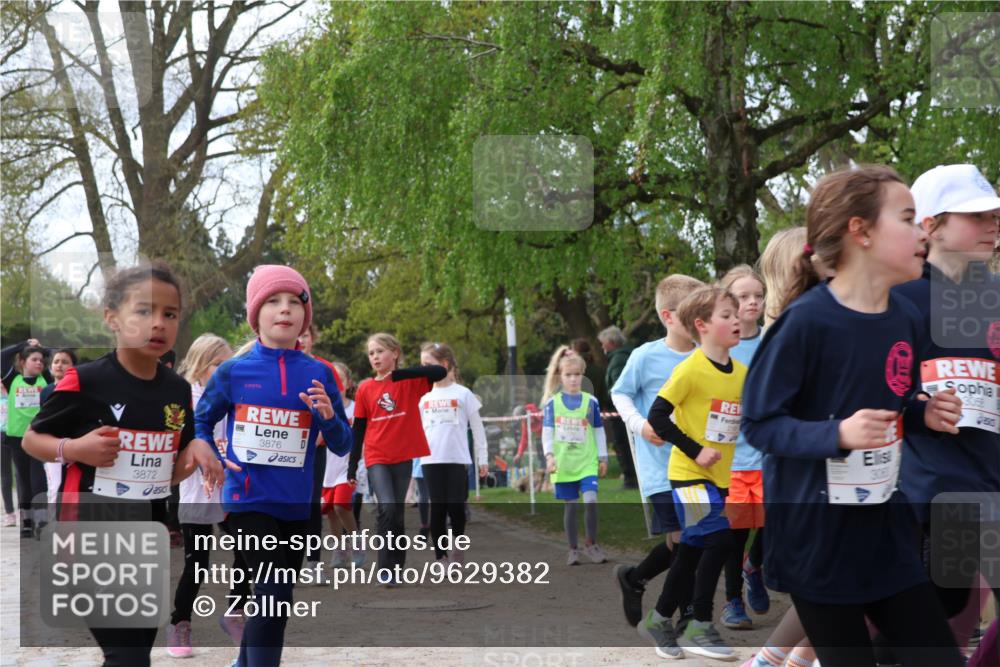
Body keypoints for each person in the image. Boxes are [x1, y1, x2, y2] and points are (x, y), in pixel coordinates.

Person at [742, 165, 965, 667]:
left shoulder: (904, 317)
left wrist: (923, 411)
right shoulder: (807, 322)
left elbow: (894, 395)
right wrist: (837, 434)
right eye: (908, 218)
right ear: (860, 231)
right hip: (817, 540)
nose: (921, 231)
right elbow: (759, 423)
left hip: (886, 533)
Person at [23, 262, 226, 667]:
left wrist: (197, 450)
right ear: (111, 318)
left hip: (144, 537)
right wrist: (75, 448)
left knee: (135, 654)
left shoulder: (177, 389)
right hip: (88, 532)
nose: (158, 323)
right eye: (144, 311)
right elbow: (32, 439)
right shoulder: (85, 381)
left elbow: (170, 467)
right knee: (126, 656)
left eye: (169, 314)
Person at [192, 264, 352, 667]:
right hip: (247, 502)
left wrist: (330, 417)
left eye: (295, 303)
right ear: (256, 314)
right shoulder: (233, 371)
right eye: (273, 301)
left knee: (276, 600)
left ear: (305, 317)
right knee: (273, 591)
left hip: (297, 506)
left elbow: (343, 443)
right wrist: (211, 452)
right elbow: (201, 421)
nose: (285, 310)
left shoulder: (319, 373)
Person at [893, 164, 1000, 649]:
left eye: (995, 214)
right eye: (976, 216)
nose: (993, 224)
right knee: (940, 601)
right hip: (935, 487)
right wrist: (916, 405)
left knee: (943, 604)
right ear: (931, 225)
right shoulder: (899, 300)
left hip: (990, 477)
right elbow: (862, 387)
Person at [646, 285, 747, 660]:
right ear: (702, 325)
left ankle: (658, 619)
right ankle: (698, 625)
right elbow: (657, 416)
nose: (736, 319)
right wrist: (696, 449)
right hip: (688, 474)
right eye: (727, 314)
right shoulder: (689, 369)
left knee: (690, 550)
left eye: (736, 314)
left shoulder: (741, 373)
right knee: (721, 540)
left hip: (719, 478)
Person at [611, 273, 704, 634]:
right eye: (693, 312)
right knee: (686, 540)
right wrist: (640, 426)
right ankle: (686, 616)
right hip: (660, 468)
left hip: (698, 466)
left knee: (686, 541)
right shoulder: (645, 356)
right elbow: (620, 393)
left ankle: (635, 578)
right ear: (668, 316)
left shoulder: (706, 357)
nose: (702, 319)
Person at [166, 334, 251, 657]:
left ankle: (235, 612)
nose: (225, 370)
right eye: (218, 364)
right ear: (200, 364)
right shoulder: (185, 397)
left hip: (232, 490)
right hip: (197, 490)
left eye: (228, 364)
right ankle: (180, 622)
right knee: (197, 564)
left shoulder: (235, 396)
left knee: (248, 550)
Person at [346, 333, 446, 585]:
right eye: (371, 353)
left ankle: (397, 566)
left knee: (397, 513)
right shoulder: (366, 388)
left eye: (380, 351)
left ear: (395, 353)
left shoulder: (410, 382)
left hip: (402, 456)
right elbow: (358, 429)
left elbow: (438, 372)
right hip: (376, 455)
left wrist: (399, 374)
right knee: (387, 507)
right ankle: (385, 569)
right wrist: (352, 464)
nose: (375, 357)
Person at [718, 265, 769, 629]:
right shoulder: (719, 347)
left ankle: (756, 564)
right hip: (730, 459)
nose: (752, 302)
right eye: (743, 296)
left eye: (758, 295)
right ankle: (732, 601)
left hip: (770, 453)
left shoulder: (773, 338)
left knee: (777, 523)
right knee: (733, 535)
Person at [417, 342, 489, 563]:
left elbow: (477, 428)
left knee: (456, 506)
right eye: (422, 365)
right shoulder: (422, 396)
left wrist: (482, 458)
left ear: (445, 364)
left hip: (457, 459)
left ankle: (458, 546)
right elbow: (416, 429)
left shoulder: (463, 394)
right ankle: (441, 557)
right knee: (437, 508)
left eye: (429, 365)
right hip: (431, 459)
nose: (424, 370)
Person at [543, 348, 609, 566]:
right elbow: (547, 432)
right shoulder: (553, 403)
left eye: (577, 375)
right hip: (564, 464)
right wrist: (549, 456)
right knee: (570, 506)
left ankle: (591, 544)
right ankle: (572, 549)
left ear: (583, 375)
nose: (573, 379)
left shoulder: (591, 402)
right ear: (560, 376)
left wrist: (603, 457)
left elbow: (599, 430)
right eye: (568, 375)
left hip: (587, 461)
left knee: (591, 501)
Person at [322, 361, 364, 568]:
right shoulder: (321, 407)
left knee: (341, 505)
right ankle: (340, 549)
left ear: (347, 383)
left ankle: (356, 542)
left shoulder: (356, 409)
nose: (335, 384)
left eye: (340, 379)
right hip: (326, 466)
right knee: (330, 510)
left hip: (348, 466)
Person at [4, 344, 49, 538]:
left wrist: (41, 347)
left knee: (38, 480)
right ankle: (27, 522)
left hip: (39, 438)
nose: (39, 362)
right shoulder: (12, 379)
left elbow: (54, 357)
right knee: (23, 481)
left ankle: (41, 521)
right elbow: (2, 356)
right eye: (34, 359)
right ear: (22, 362)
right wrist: (23, 345)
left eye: (41, 360)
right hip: (17, 439)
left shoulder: (46, 380)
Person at [599, 325, 638, 490]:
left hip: (621, 412)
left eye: (603, 343)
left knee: (622, 444)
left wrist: (611, 399)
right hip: (629, 410)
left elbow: (617, 388)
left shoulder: (618, 360)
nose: (602, 347)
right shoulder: (628, 356)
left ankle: (630, 480)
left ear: (610, 342)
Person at [41, 349, 77, 512]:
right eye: (56, 362)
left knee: (71, 488)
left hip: (74, 445)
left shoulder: (80, 390)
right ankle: (53, 523)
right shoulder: (47, 391)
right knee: (54, 487)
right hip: (52, 446)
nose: (59, 365)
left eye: (64, 362)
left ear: (74, 367)